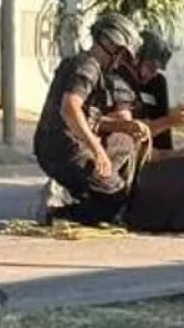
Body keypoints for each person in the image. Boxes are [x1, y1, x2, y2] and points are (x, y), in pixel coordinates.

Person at [32, 12, 149, 225]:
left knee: (124, 141)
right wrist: (98, 150)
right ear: (108, 43)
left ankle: (79, 191)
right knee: (116, 197)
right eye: (120, 54)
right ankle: (58, 211)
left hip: (56, 147)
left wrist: (126, 126)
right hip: (65, 151)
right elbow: (70, 108)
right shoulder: (88, 67)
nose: (119, 62)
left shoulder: (82, 64)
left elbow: (86, 118)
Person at [106, 30, 184, 151]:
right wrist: (171, 120)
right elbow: (129, 132)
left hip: (152, 151)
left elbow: (163, 137)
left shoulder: (156, 83)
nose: (153, 74)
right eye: (151, 67)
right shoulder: (117, 81)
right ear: (135, 60)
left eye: (156, 69)